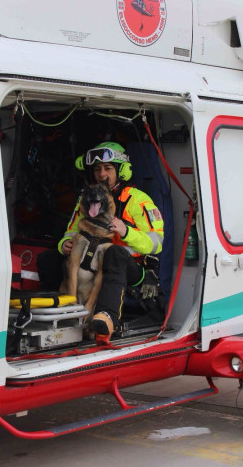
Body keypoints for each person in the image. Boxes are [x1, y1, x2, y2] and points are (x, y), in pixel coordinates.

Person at [59, 142, 164, 341]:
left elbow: (157, 243)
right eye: (97, 169)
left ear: (121, 170)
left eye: (108, 168)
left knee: (114, 253)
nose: (102, 174)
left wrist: (126, 232)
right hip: (93, 265)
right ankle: (57, 314)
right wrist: (64, 244)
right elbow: (72, 231)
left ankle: (107, 317)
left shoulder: (138, 200)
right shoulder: (87, 197)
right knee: (49, 258)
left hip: (133, 269)